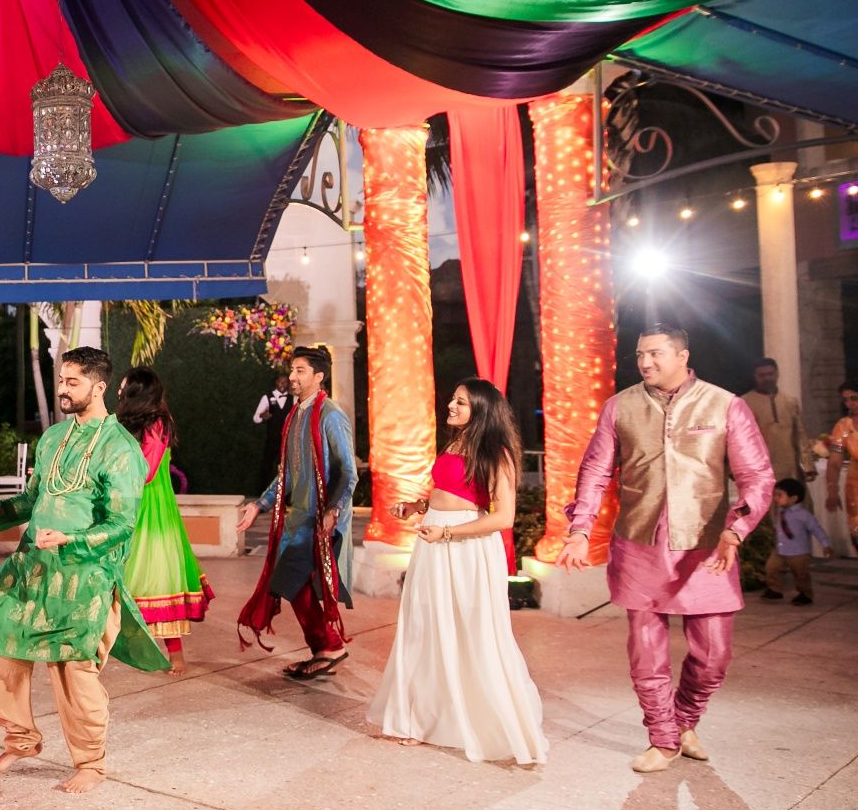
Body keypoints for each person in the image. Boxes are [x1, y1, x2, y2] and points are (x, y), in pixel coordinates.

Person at [0, 346, 169, 796]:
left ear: (99, 387)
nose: (63, 389)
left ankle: (91, 763)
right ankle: (22, 739)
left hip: (86, 574)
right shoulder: (52, 438)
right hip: (33, 565)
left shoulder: (121, 448)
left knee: (72, 670)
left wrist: (73, 540)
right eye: (61, 380)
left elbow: (122, 523)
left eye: (73, 382)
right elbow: (28, 502)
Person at [562, 324, 773, 774]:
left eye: (655, 354)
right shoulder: (620, 407)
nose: (645, 363)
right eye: (640, 354)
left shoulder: (725, 405)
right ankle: (662, 737)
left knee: (714, 654)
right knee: (646, 650)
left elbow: (757, 477)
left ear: (683, 356)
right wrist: (580, 529)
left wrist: (735, 530)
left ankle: (684, 720)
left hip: (707, 548)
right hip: (639, 545)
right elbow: (595, 472)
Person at [367, 379, 547, 765]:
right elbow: (449, 492)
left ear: (480, 409)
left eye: (461, 402)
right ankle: (417, 719)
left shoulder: (497, 454)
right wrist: (417, 506)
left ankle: (477, 721)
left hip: (466, 549)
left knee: (469, 631)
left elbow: (502, 517)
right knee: (424, 626)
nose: (451, 405)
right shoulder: (454, 444)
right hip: (433, 544)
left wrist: (447, 531)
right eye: (453, 399)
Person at [236, 346, 357, 678]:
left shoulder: (330, 414)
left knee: (289, 582)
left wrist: (333, 510)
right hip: (299, 519)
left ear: (319, 376)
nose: (292, 376)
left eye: (301, 370)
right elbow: (286, 473)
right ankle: (326, 648)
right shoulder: (295, 415)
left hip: (320, 521)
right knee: (292, 584)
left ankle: (330, 646)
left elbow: (349, 471)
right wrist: (259, 504)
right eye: (292, 370)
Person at [115, 367, 212, 672]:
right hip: (133, 504)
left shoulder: (156, 423)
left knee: (157, 577)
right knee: (125, 577)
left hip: (150, 509)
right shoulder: (133, 423)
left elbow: (148, 469)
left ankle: (176, 655)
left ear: (137, 392)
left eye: (123, 386)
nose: (119, 391)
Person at [741, 358, 814, 485]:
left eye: (770, 374)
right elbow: (739, 440)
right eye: (762, 375)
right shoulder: (744, 403)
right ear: (755, 377)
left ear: (777, 374)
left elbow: (800, 435)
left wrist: (808, 466)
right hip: (760, 471)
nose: (767, 378)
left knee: (795, 502)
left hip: (791, 469)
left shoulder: (790, 401)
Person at [763, 478, 826, 607]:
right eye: (775, 495)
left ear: (793, 498)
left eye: (779, 495)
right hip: (780, 550)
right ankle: (775, 590)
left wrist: (825, 544)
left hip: (799, 552)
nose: (775, 498)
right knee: (771, 568)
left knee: (801, 574)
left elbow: (816, 529)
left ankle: (805, 594)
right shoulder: (780, 512)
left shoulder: (804, 515)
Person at [826, 380, 858, 542]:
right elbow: (834, 462)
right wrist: (832, 491)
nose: (850, 403)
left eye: (854, 398)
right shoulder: (843, 426)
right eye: (846, 400)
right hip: (855, 485)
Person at [252, 373, 293, 492]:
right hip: (272, 439)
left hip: (287, 440)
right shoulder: (267, 397)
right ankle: (261, 494)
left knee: (286, 468)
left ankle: (285, 498)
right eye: (280, 382)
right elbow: (255, 418)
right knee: (267, 466)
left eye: (285, 382)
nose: (282, 385)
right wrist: (262, 416)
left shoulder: (293, 399)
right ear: (276, 382)